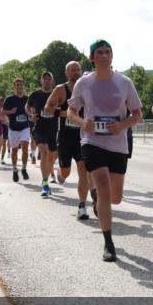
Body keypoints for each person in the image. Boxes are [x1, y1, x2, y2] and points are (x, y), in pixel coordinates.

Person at [67, 39, 142, 261]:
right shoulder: (84, 83)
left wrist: (122, 125)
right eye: (99, 52)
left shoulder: (124, 82)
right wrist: (82, 123)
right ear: (92, 57)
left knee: (115, 197)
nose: (104, 55)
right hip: (92, 141)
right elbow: (71, 112)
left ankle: (99, 200)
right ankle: (108, 243)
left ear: (112, 56)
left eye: (107, 52)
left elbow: (137, 114)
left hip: (118, 143)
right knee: (102, 184)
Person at [46, 61, 91, 218]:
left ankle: (82, 206)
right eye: (73, 70)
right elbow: (47, 108)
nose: (76, 72)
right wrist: (64, 114)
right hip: (65, 136)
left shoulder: (88, 88)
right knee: (66, 172)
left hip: (82, 136)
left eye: (78, 69)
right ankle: (60, 173)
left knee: (83, 171)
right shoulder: (60, 89)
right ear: (67, 73)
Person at [28, 72, 59, 197]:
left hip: (53, 129)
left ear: (52, 81)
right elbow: (27, 106)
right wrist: (30, 115)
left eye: (49, 79)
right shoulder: (35, 94)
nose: (46, 81)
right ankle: (45, 184)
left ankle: (49, 174)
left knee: (51, 157)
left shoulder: (57, 93)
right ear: (41, 81)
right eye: (44, 78)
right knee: (44, 152)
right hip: (39, 128)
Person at [2, 78, 31, 183]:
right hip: (13, 128)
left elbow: (31, 110)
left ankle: (24, 168)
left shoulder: (27, 99)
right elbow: (3, 112)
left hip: (25, 127)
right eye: (17, 85)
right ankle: (15, 169)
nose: (19, 86)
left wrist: (31, 114)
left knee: (25, 146)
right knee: (14, 150)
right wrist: (11, 111)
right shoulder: (10, 99)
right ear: (14, 86)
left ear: (23, 86)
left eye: (21, 85)